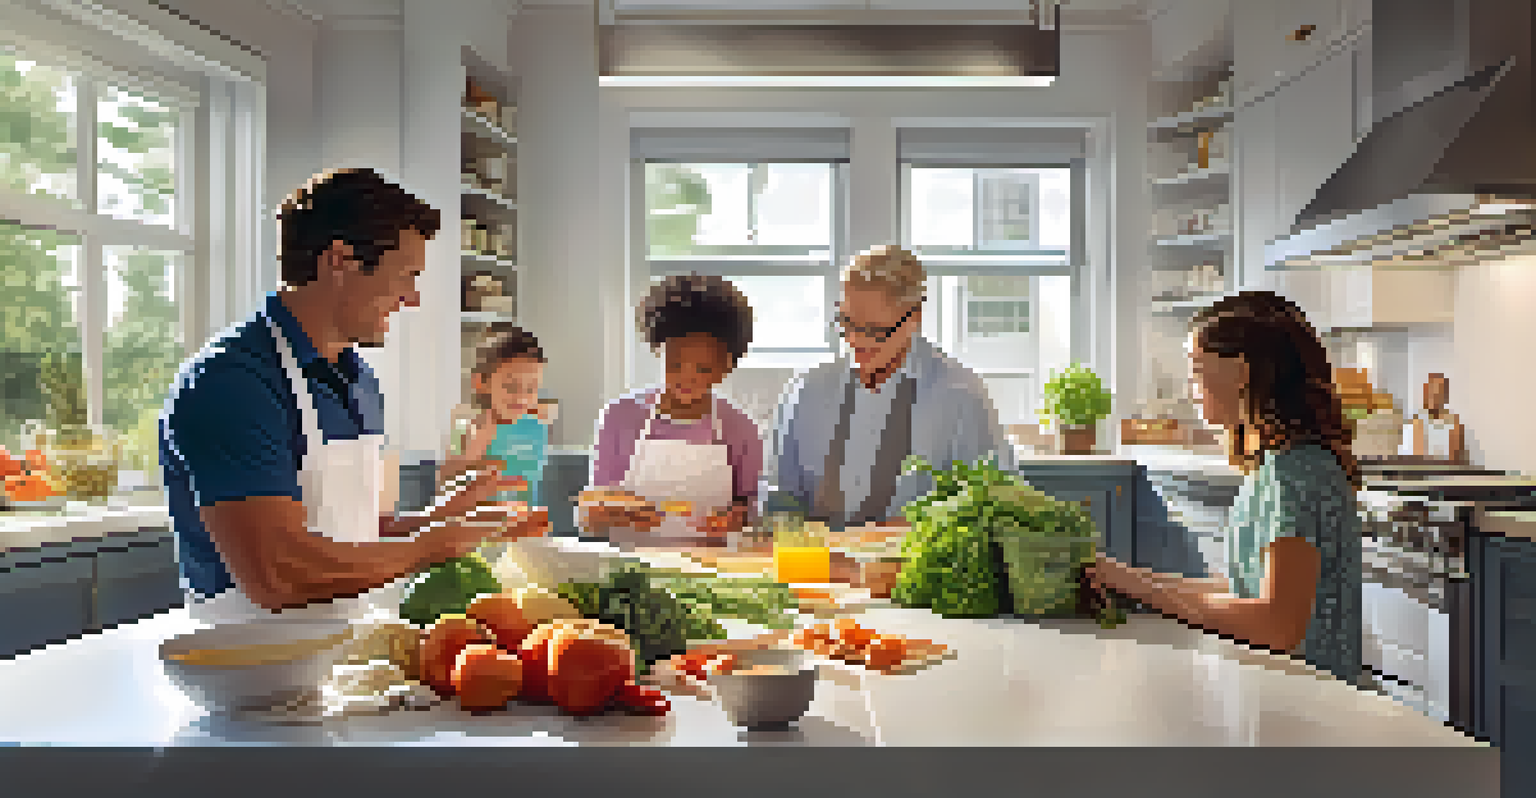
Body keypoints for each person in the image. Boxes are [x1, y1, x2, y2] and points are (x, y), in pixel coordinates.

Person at [159, 168, 546, 624]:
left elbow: (351, 535)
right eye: (406, 275)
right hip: (247, 668)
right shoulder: (231, 382)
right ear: (339, 262)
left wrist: (433, 520)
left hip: (345, 647)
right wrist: (430, 544)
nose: (413, 297)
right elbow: (276, 572)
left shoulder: (358, 380)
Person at [1087, 290, 1364, 685]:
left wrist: (1136, 587)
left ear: (1242, 371)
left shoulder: (1298, 475)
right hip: (1279, 698)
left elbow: (1276, 626)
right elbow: (1242, 589)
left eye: (1197, 369)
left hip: (1308, 707)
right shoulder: (1276, 464)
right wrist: (1120, 577)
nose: (1191, 387)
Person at [765, 244, 1017, 534]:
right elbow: (779, 497)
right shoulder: (807, 389)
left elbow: (997, 502)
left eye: (874, 330)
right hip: (819, 569)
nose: (857, 340)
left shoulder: (961, 395)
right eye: (847, 323)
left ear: (914, 318)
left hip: (917, 568)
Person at [580, 274, 763, 547]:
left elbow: (755, 511)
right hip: (630, 568)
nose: (688, 378)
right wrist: (606, 514)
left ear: (726, 367)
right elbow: (588, 519)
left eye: (704, 369)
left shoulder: (740, 428)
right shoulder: (619, 417)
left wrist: (738, 519)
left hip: (715, 571)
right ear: (657, 349)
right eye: (675, 364)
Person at [439, 324, 557, 561]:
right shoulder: (468, 426)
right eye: (511, 387)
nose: (522, 397)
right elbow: (446, 484)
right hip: (477, 542)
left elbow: (530, 481)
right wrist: (476, 445)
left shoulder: (536, 427)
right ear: (481, 383)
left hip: (522, 537)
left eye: (532, 388)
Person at [1400, 372, 1467, 463]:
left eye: (1439, 391)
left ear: (1445, 396)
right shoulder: (1415, 422)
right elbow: (1414, 457)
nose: (1435, 394)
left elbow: (1457, 459)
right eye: (1432, 390)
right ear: (1425, 393)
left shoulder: (1453, 423)